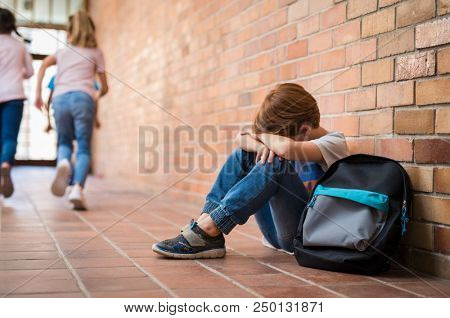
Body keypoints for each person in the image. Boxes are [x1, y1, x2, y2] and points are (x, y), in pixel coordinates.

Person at [152, 83, 349, 259]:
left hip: (303, 235)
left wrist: (262, 139)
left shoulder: (334, 142)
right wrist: (259, 144)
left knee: (276, 161)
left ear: (304, 130)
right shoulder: (289, 140)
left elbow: (286, 149)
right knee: (245, 154)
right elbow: (241, 139)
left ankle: (210, 227)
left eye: (277, 138)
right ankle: (207, 228)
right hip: (274, 232)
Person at [35, 10, 108, 210]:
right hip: (83, 98)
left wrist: (38, 94)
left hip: (59, 99)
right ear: (90, 30)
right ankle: (77, 188)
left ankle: (64, 162)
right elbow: (104, 87)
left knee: (64, 142)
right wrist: (97, 95)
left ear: (70, 31)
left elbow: (43, 66)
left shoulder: (62, 52)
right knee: (83, 147)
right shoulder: (95, 52)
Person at [0, 8, 34, 198]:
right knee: (10, 137)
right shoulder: (19, 45)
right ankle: (6, 164)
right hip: (14, 95)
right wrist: (16, 73)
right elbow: (29, 71)